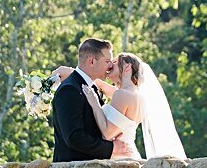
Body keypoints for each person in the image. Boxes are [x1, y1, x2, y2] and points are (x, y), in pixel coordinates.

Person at [51, 49, 187, 161]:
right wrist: (73, 72)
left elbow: (108, 133)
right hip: (128, 154)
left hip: (119, 156)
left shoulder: (122, 95)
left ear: (127, 67)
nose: (109, 66)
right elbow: (98, 84)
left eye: (114, 62)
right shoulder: (135, 95)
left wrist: (94, 103)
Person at [50, 38, 116, 163]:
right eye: (107, 61)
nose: (110, 66)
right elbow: (74, 137)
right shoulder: (69, 89)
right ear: (92, 61)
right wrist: (111, 149)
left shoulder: (91, 87)